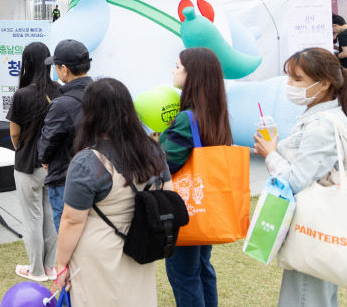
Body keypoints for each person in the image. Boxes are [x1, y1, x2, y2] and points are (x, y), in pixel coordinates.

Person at [52, 78, 171, 306]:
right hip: (141, 244)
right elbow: (168, 195)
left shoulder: (88, 160)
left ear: (90, 114)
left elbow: (72, 221)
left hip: (98, 253)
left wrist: (61, 265)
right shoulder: (154, 150)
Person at [254, 47, 346, 307]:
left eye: (297, 79)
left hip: (312, 227)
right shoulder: (327, 115)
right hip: (319, 226)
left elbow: (295, 181)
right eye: (289, 78)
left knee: (305, 297)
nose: (289, 85)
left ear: (325, 83)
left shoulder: (322, 124)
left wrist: (271, 154)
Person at [159, 47, 232, 307]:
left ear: (193, 75)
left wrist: (155, 148)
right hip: (206, 207)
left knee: (184, 274)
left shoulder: (187, 118)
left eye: (177, 66)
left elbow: (168, 164)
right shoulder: (215, 112)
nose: (173, 70)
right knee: (202, 269)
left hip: (186, 208)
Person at [7, 42, 62, 282]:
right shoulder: (59, 90)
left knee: (32, 218)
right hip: (53, 164)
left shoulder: (22, 95)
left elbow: (14, 134)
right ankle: (49, 267)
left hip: (28, 164)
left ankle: (36, 270)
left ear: (26, 63)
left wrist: (21, 150)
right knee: (49, 215)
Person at [37, 39, 92, 230]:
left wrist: (44, 159)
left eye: (56, 66)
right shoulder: (103, 92)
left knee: (68, 235)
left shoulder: (62, 104)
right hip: (98, 176)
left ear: (65, 70)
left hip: (65, 179)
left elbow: (47, 142)